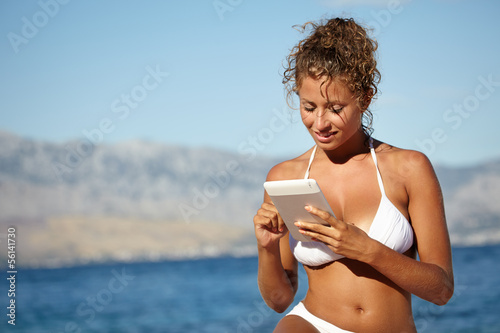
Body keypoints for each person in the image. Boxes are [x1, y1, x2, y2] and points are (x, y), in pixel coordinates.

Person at [253, 17, 454, 333]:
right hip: (311, 323)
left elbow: (441, 290)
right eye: (308, 107)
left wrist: (368, 250)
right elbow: (280, 300)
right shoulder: (284, 177)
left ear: (365, 98)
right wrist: (266, 248)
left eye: (334, 108)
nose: (319, 122)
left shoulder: (408, 169)